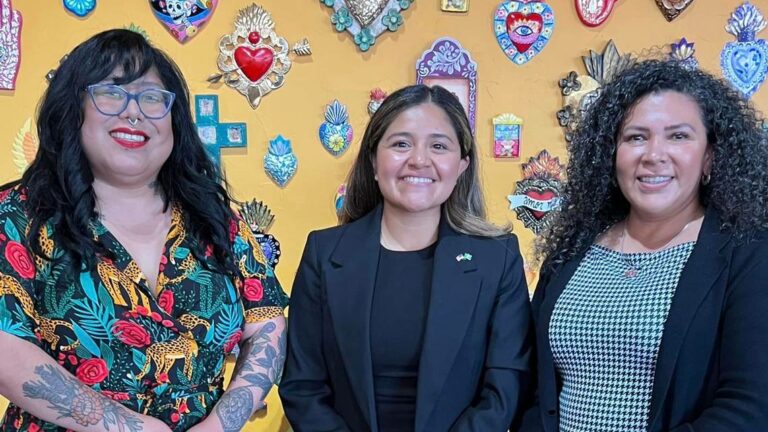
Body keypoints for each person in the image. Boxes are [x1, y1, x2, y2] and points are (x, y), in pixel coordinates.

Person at [0, 29, 288, 432]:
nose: (134, 112)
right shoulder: (18, 215)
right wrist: (128, 427)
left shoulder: (216, 218)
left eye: (152, 98)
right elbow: (5, 347)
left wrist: (222, 422)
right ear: (74, 108)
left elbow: (267, 324)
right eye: (113, 92)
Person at [521, 59, 768, 431]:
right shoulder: (573, 251)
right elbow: (538, 393)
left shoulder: (747, 253)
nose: (653, 154)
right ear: (612, 155)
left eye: (678, 136)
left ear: (710, 158)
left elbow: (749, 407)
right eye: (636, 137)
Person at [279, 84, 533, 431]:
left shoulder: (497, 259)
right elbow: (303, 384)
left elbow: (505, 385)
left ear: (461, 165)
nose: (418, 159)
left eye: (438, 146)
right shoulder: (325, 254)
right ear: (373, 160)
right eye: (401, 144)